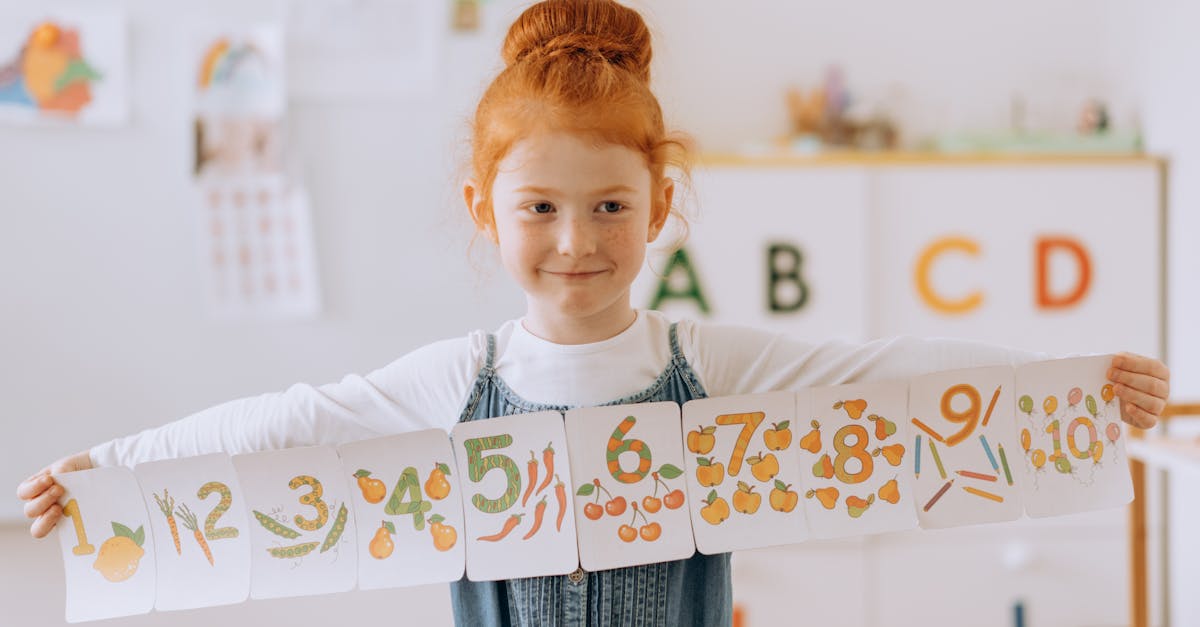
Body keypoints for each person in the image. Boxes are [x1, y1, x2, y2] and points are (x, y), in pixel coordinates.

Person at [16, 1, 1171, 625]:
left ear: (660, 202)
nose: (577, 242)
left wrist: (1073, 385)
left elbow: (878, 372)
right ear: (485, 209)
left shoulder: (703, 359)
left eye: (612, 204)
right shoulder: (453, 382)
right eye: (541, 209)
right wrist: (111, 468)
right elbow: (288, 423)